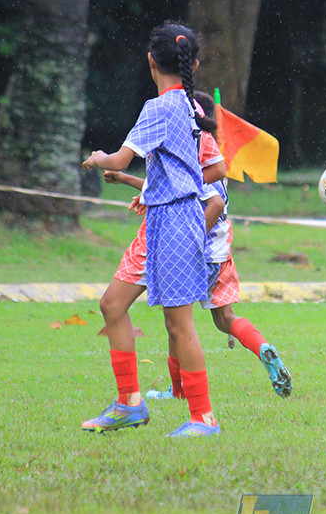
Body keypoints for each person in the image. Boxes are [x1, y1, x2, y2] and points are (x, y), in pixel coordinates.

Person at [102, 92, 293, 400]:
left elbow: (211, 202)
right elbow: (177, 188)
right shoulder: (209, 158)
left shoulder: (192, 155)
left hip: (193, 247)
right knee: (224, 319)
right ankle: (262, 347)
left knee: (175, 321)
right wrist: (128, 181)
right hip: (220, 253)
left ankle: (179, 394)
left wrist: (190, 240)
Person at [80, 22, 221, 437]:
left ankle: (204, 419)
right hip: (160, 220)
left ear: (150, 62)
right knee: (112, 305)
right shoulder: (191, 108)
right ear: (192, 64)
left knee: (180, 325)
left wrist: (98, 158)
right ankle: (129, 405)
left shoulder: (159, 108)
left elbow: (121, 159)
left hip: (176, 221)